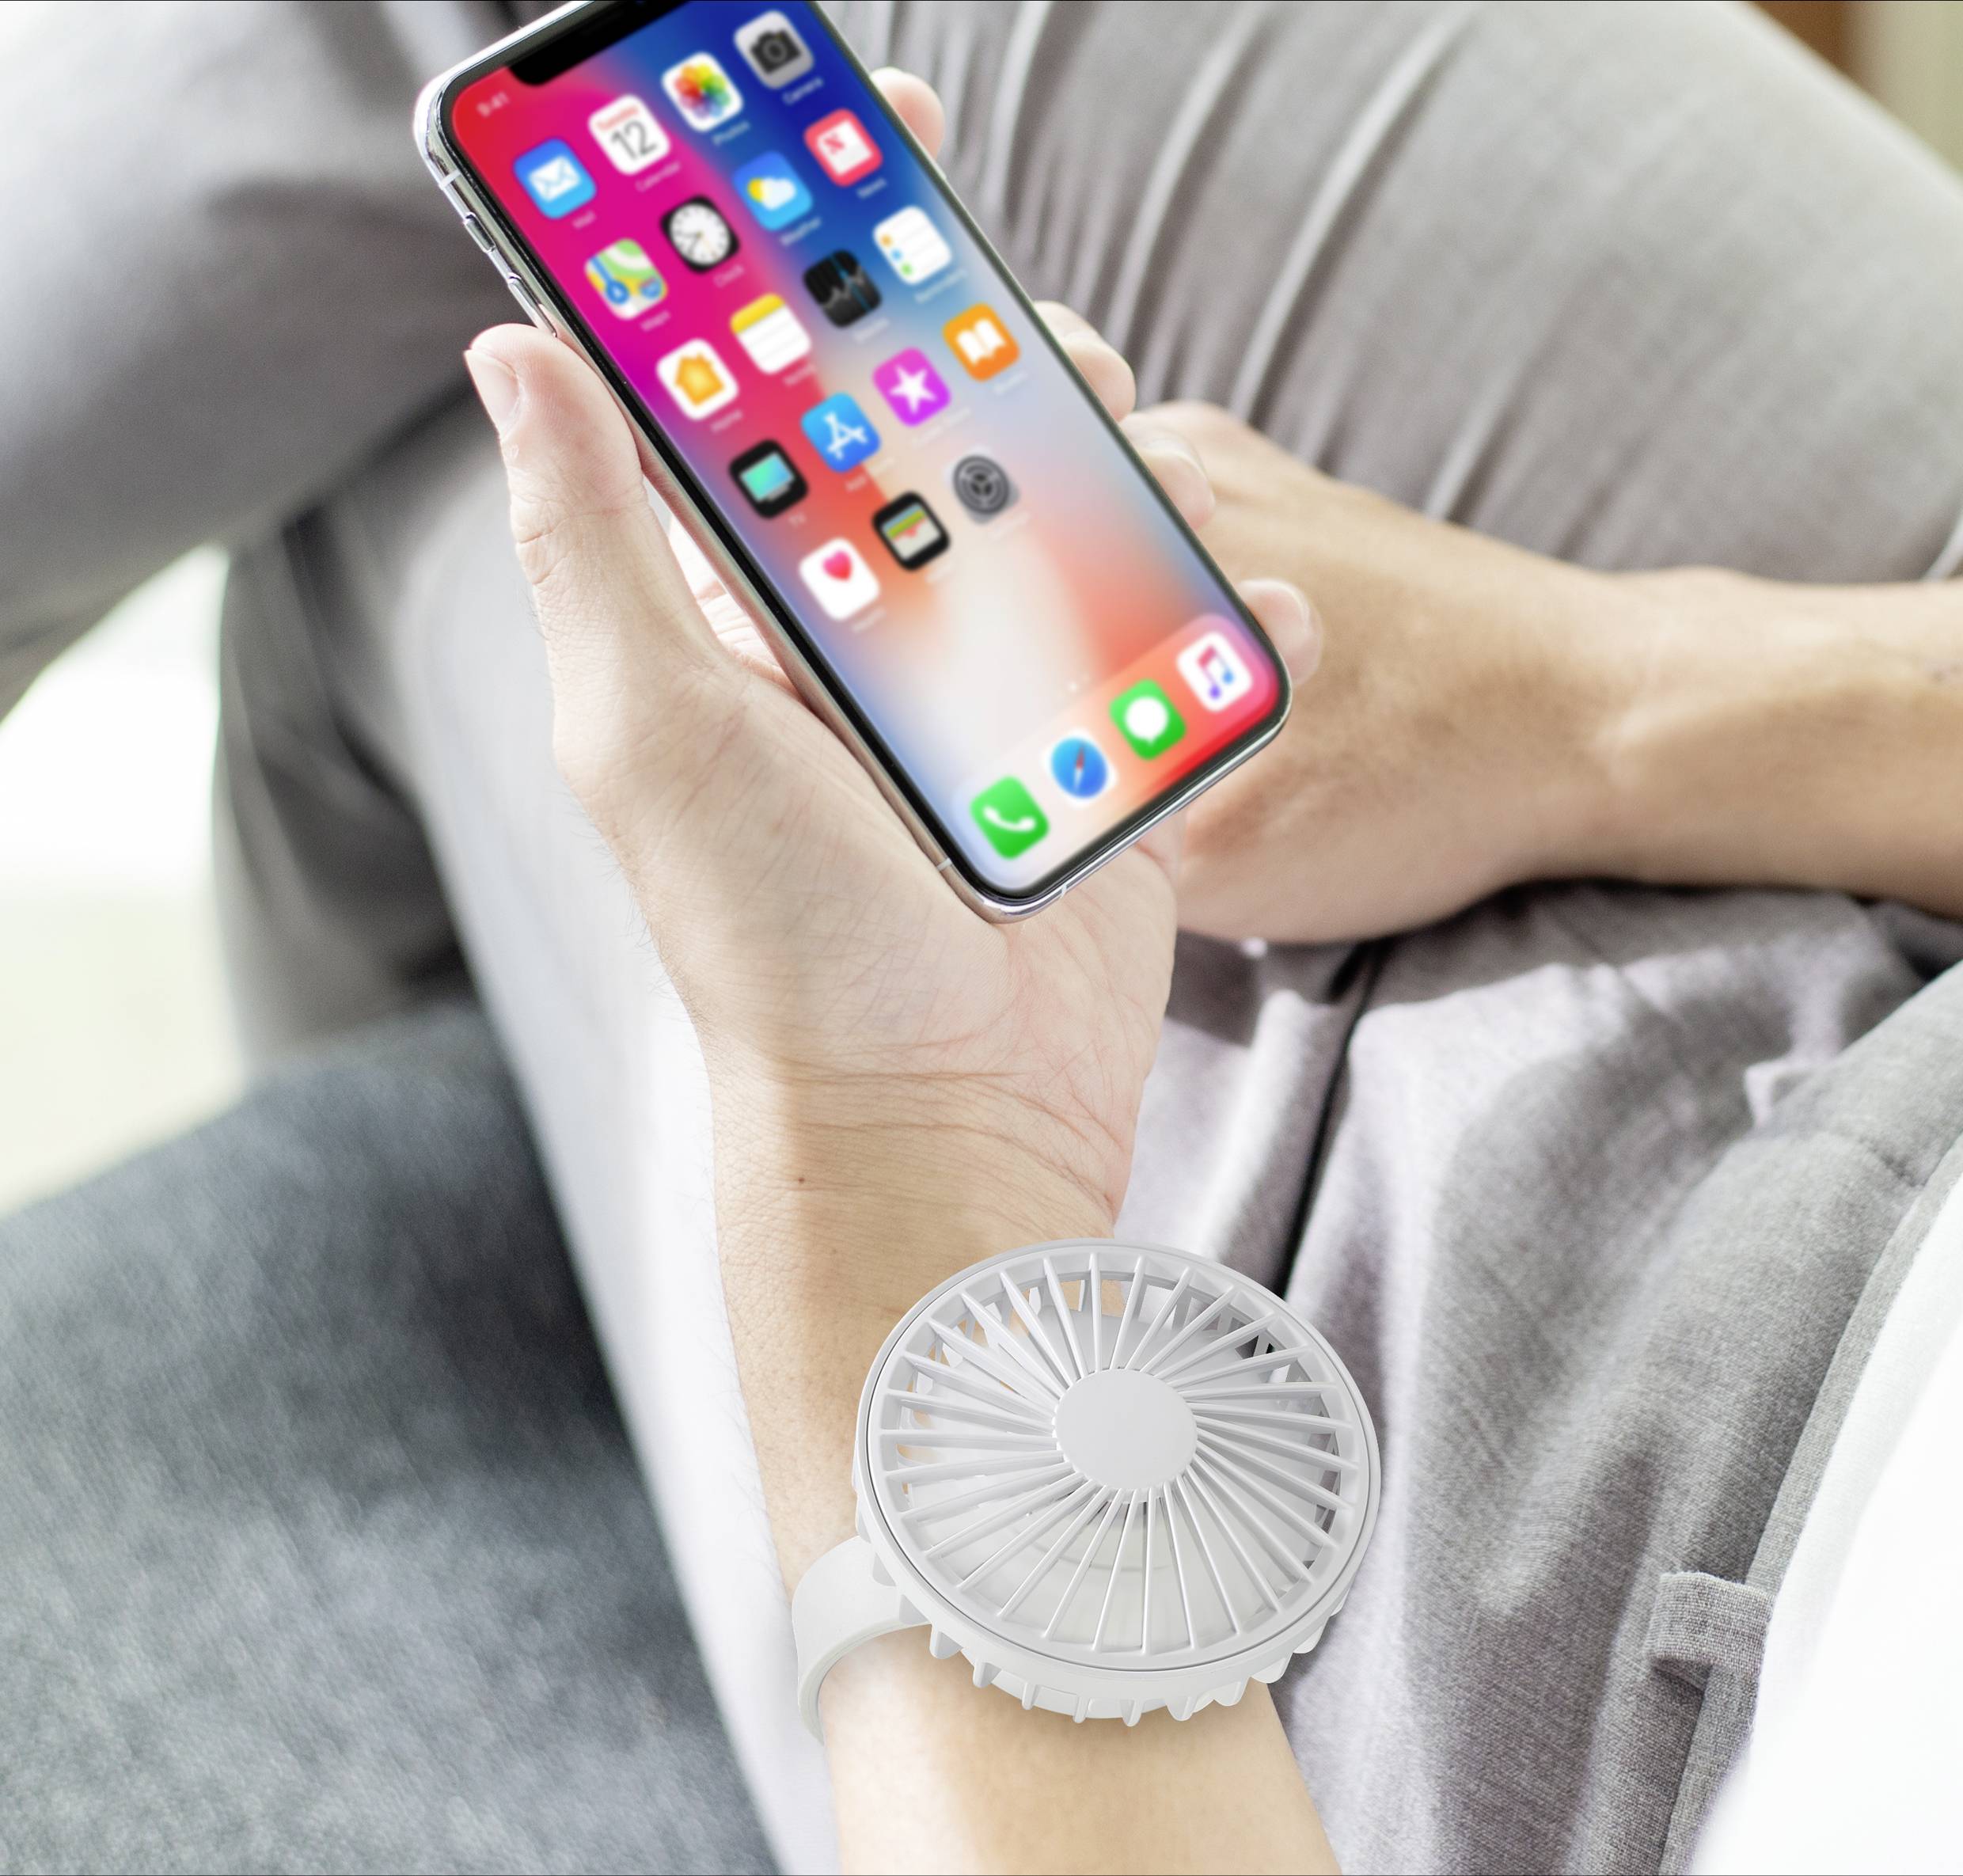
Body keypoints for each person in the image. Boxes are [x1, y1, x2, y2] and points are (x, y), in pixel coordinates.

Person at [3, 3, 1961, 1870]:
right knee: (637, 219)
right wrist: (1602, 697)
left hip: (1586, 1598)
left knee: (464, 479)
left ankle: (475, 1270)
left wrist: (906, 1148)